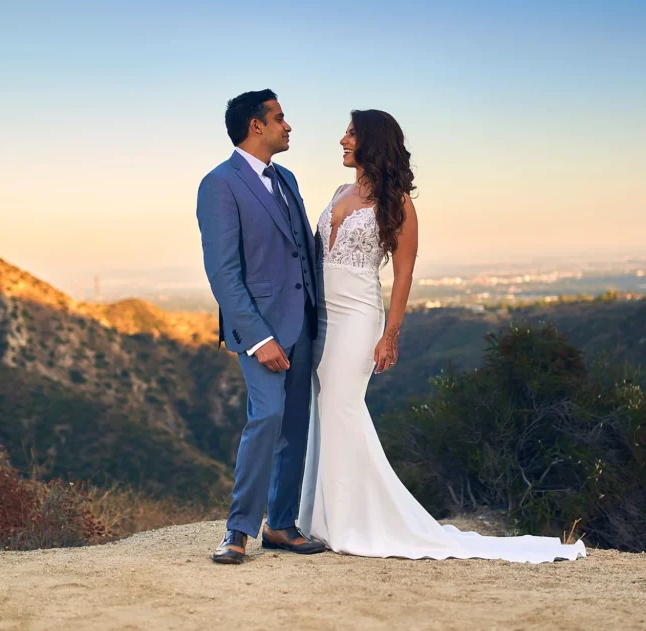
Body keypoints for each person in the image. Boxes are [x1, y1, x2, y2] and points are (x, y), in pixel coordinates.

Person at [297, 109, 587, 564]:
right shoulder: (340, 191)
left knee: (341, 406)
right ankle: (322, 519)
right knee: (323, 409)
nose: (342, 140)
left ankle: (356, 521)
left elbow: (404, 272)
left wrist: (390, 335)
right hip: (321, 321)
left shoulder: (399, 203)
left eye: (351, 133)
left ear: (372, 140)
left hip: (357, 318)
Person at [196, 90, 326, 564]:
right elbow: (223, 272)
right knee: (266, 418)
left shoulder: (286, 177)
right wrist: (259, 338)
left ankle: (283, 525)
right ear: (256, 125)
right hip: (262, 332)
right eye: (280, 117)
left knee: (295, 425)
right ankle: (237, 531)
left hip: (304, 323)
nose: (288, 126)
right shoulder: (219, 184)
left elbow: (300, 252)